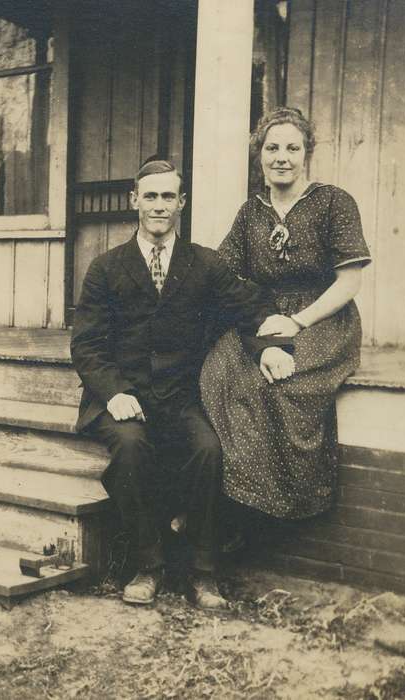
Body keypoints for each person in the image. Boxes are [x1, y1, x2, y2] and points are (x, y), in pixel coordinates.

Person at [70, 159, 294, 609]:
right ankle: (147, 566)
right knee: (131, 449)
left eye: (168, 196)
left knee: (209, 450)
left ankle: (203, 572)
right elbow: (87, 345)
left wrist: (269, 347)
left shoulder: (204, 264)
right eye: (149, 196)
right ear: (134, 201)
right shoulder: (106, 269)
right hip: (123, 398)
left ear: (182, 203)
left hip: (181, 398)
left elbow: (249, 309)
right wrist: (114, 393)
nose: (158, 206)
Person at [200, 107, 371, 539]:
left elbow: (349, 281)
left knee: (279, 384)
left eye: (292, 148)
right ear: (259, 155)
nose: (282, 157)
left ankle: (273, 507)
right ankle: (231, 500)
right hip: (263, 316)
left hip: (323, 318)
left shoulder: (334, 201)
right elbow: (224, 274)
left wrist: (297, 321)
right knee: (219, 372)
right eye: (272, 148)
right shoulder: (250, 212)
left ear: (306, 153)